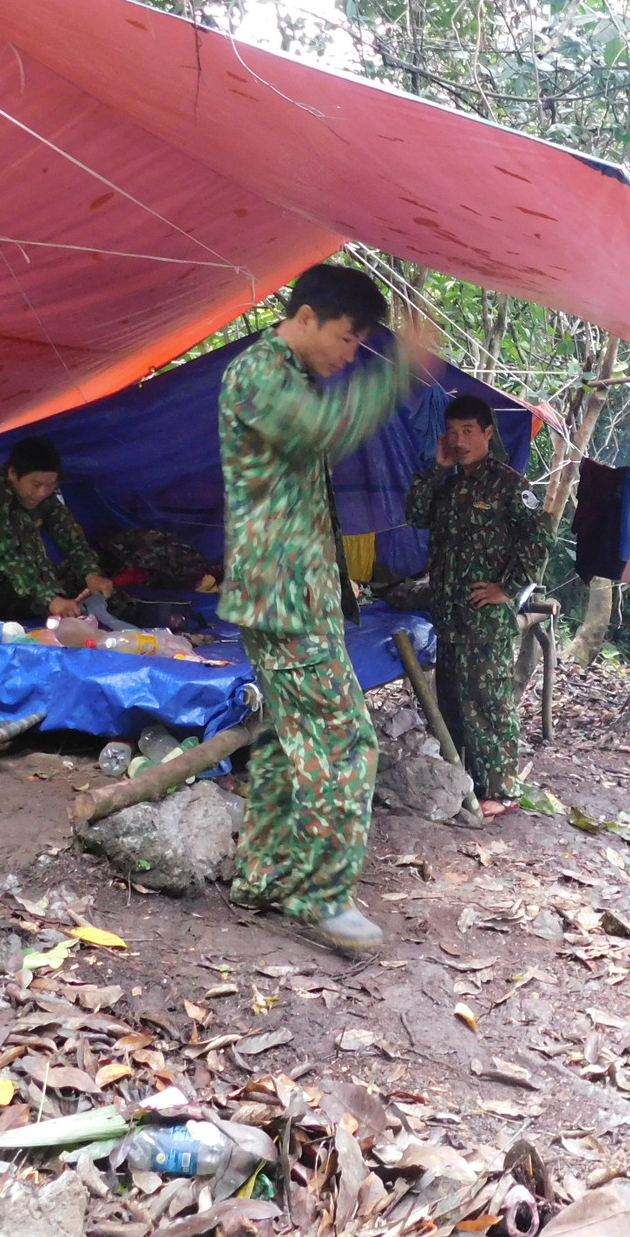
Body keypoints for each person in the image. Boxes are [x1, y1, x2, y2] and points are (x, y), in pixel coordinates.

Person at [218, 262, 438, 953]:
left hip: (290, 592)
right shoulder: (260, 373)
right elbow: (321, 432)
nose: (350, 357)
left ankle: (263, 876)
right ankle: (322, 896)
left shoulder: (289, 374)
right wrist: (395, 371)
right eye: (348, 340)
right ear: (306, 316)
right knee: (346, 741)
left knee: (289, 741)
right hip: (283, 598)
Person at [405, 395, 551, 817]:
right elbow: (415, 513)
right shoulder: (449, 485)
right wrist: (437, 465)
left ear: (488, 433)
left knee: (488, 701)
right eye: (453, 431)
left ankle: (501, 791)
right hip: (449, 614)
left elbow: (540, 538)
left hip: (485, 617)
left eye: (469, 431)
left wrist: (507, 589)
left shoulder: (509, 485)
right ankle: (464, 782)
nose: (460, 440)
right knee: (452, 700)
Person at [0, 435, 113, 622]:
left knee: (76, 573)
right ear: (13, 473)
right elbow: (5, 553)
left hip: (3, 579)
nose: (42, 493)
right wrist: (51, 598)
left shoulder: (43, 496)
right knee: (25, 532)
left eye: (50, 485)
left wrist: (91, 573)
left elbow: (68, 532)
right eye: (36, 484)